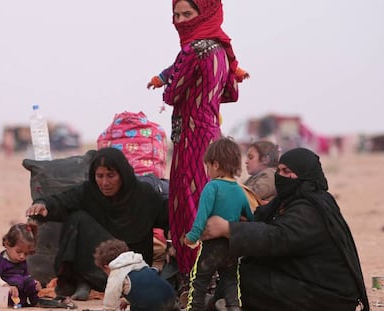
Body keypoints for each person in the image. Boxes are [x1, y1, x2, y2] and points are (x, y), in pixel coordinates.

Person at [147, 0, 250, 284]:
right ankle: (217, 272)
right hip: (210, 131)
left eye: (187, 14)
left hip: (191, 138)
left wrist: (169, 84)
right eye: (176, 15)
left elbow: (172, 94)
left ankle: (194, 276)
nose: (180, 21)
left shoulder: (193, 49)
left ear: (204, 13)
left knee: (188, 203)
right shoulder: (221, 50)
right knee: (212, 196)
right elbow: (230, 91)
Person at [202, 148, 370, 311]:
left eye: (287, 171)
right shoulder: (295, 199)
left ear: (305, 174)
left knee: (244, 280)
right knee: (246, 271)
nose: (280, 176)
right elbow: (268, 222)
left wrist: (228, 229)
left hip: (329, 295)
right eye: (279, 170)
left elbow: (278, 237)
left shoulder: (310, 209)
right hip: (308, 279)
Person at [25, 147, 168, 301]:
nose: (104, 183)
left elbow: (168, 218)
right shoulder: (89, 192)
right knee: (77, 218)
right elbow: (63, 201)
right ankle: (81, 281)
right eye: (99, 176)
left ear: (123, 175)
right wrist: (44, 205)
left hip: (133, 271)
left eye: (110, 175)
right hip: (99, 268)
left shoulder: (144, 195)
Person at [184, 137, 253, 311]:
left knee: (199, 280)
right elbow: (250, 219)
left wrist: (192, 237)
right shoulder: (239, 190)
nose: (207, 170)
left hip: (212, 247)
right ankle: (234, 307)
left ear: (215, 164)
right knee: (230, 279)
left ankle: (194, 308)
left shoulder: (212, 187)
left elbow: (201, 217)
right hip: (232, 246)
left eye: (207, 166)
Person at [94, 238, 178, 311]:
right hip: (169, 295)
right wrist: (127, 301)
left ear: (106, 267)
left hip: (151, 305)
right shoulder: (138, 261)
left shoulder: (116, 272)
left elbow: (110, 302)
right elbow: (146, 286)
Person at [0, 223, 42, 308]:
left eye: (26, 253)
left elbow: (25, 276)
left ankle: (35, 303)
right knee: (16, 280)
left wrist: (34, 284)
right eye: (18, 251)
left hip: (17, 295)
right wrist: (6, 286)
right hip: (1, 297)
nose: (22, 256)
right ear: (7, 244)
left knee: (30, 281)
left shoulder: (22, 262)